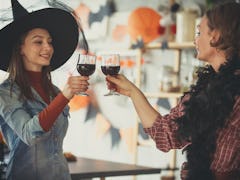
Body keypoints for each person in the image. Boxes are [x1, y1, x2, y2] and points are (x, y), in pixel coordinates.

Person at [106, 1, 240, 180]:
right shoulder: (204, 90)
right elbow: (166, 136)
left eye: (199, 32)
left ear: (214, 36)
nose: (195, 40)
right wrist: (132, 92)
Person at [0, 0, 90, 179]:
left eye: (49, 42)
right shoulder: (6, 93)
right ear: (21, 48)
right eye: (38, 42)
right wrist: (64, 96)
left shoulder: (54, 92)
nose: (47, 47)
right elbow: (29, 135)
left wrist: (62, 96)